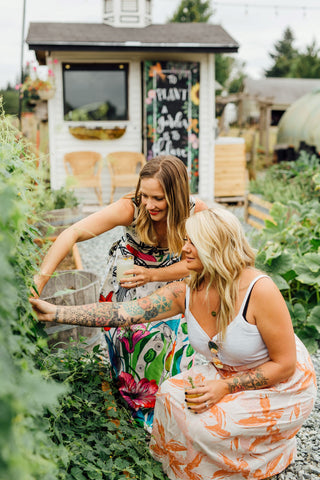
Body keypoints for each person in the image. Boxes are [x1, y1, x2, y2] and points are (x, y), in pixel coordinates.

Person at [31, 206, 316, 480]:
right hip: (227, 370)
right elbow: (123, 313)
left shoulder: (260, 290)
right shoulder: (187, 290)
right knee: (167, 395)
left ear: (217, 247)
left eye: (194, 243)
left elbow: (285, 365)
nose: (184, 249)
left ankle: (270, 452)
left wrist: (224, 388)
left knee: (205, 429)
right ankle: (188, 469)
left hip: (280, 384)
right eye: (186, 241)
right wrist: (58, 312)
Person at [33, 154, 207, 428]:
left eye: (158, 198)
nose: (149, 204)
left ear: (176, 195)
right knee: (130, 343)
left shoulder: (196, 213)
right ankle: (135, 414)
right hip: (128, 284)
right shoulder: (131, 208)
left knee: (173, 345)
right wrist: (40, 280)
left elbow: (204, 260)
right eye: (144, 195)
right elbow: (73, 233)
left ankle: (166, 412)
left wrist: (154, 274)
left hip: (171, 286)